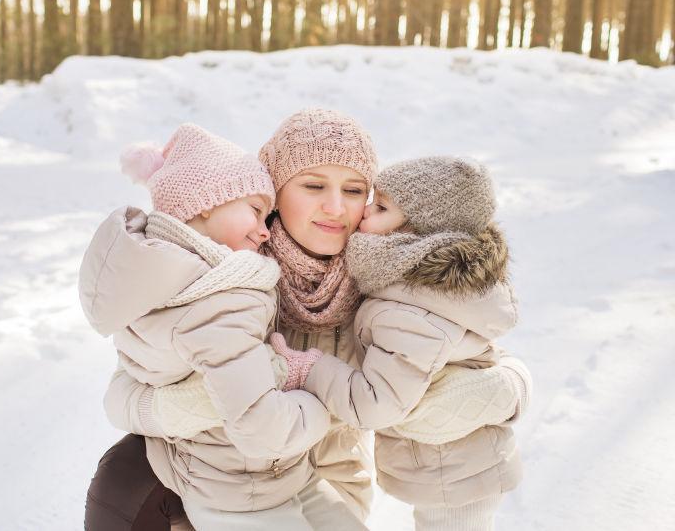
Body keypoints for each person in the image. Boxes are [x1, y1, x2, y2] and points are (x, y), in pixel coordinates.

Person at [82, 109, 532, 529]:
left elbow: (484, 355)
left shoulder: (385, 279)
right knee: (122, 481)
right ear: (275, 193)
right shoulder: (231, 270)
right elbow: (123, 392)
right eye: (313, 186)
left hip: (329, 484)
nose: (336, 208)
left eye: (354, 191)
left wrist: (499, 390)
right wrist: (203, 403)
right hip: (226, 482)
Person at [79, 122, 356, 530]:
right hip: (238, 487)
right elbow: (259, 424)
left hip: (254, 476)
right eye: (256, 211)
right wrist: (321, 405)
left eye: (353, 190)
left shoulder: (163, 272)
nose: (264, 230)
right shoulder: (222, 292)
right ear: (206, 204)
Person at [270, 156, 532, 530]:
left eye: (379, 208)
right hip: (452, 463)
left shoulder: (408, 307)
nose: (361, 215)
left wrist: (311, 368)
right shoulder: (425, 291)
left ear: (414, 231)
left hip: (454, 470)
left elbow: (377, 403)